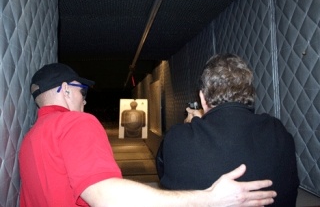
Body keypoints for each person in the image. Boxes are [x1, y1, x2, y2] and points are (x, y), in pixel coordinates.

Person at [19, 62, 277, 207]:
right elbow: (106, 197)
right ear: (65, 90)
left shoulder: (30, 139)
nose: (84, 101)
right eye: (81, 92)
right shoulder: (77, 123)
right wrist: (210, 198)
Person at [156, 53, 299, 206]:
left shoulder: (178, 138)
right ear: (250, 95)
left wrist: (189, 128)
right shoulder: (278, 132)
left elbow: (163, 170)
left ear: (202, 98)